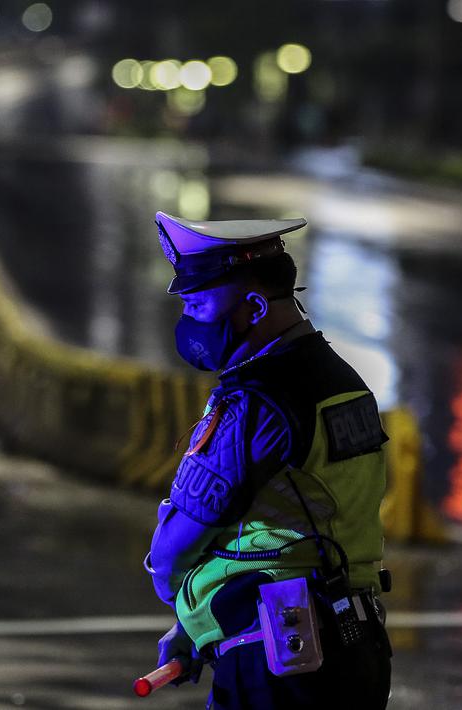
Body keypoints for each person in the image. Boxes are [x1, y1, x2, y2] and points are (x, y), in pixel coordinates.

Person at [143, 211, 392, 709]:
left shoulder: (255, 403)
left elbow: (175, 548)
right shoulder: (346, 384)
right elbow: (303, 531)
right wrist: (197, 626)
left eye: (198, 305)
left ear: (255, 307)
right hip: (356, 647)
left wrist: (187, 605)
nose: (189, 321)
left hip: (278, 662)